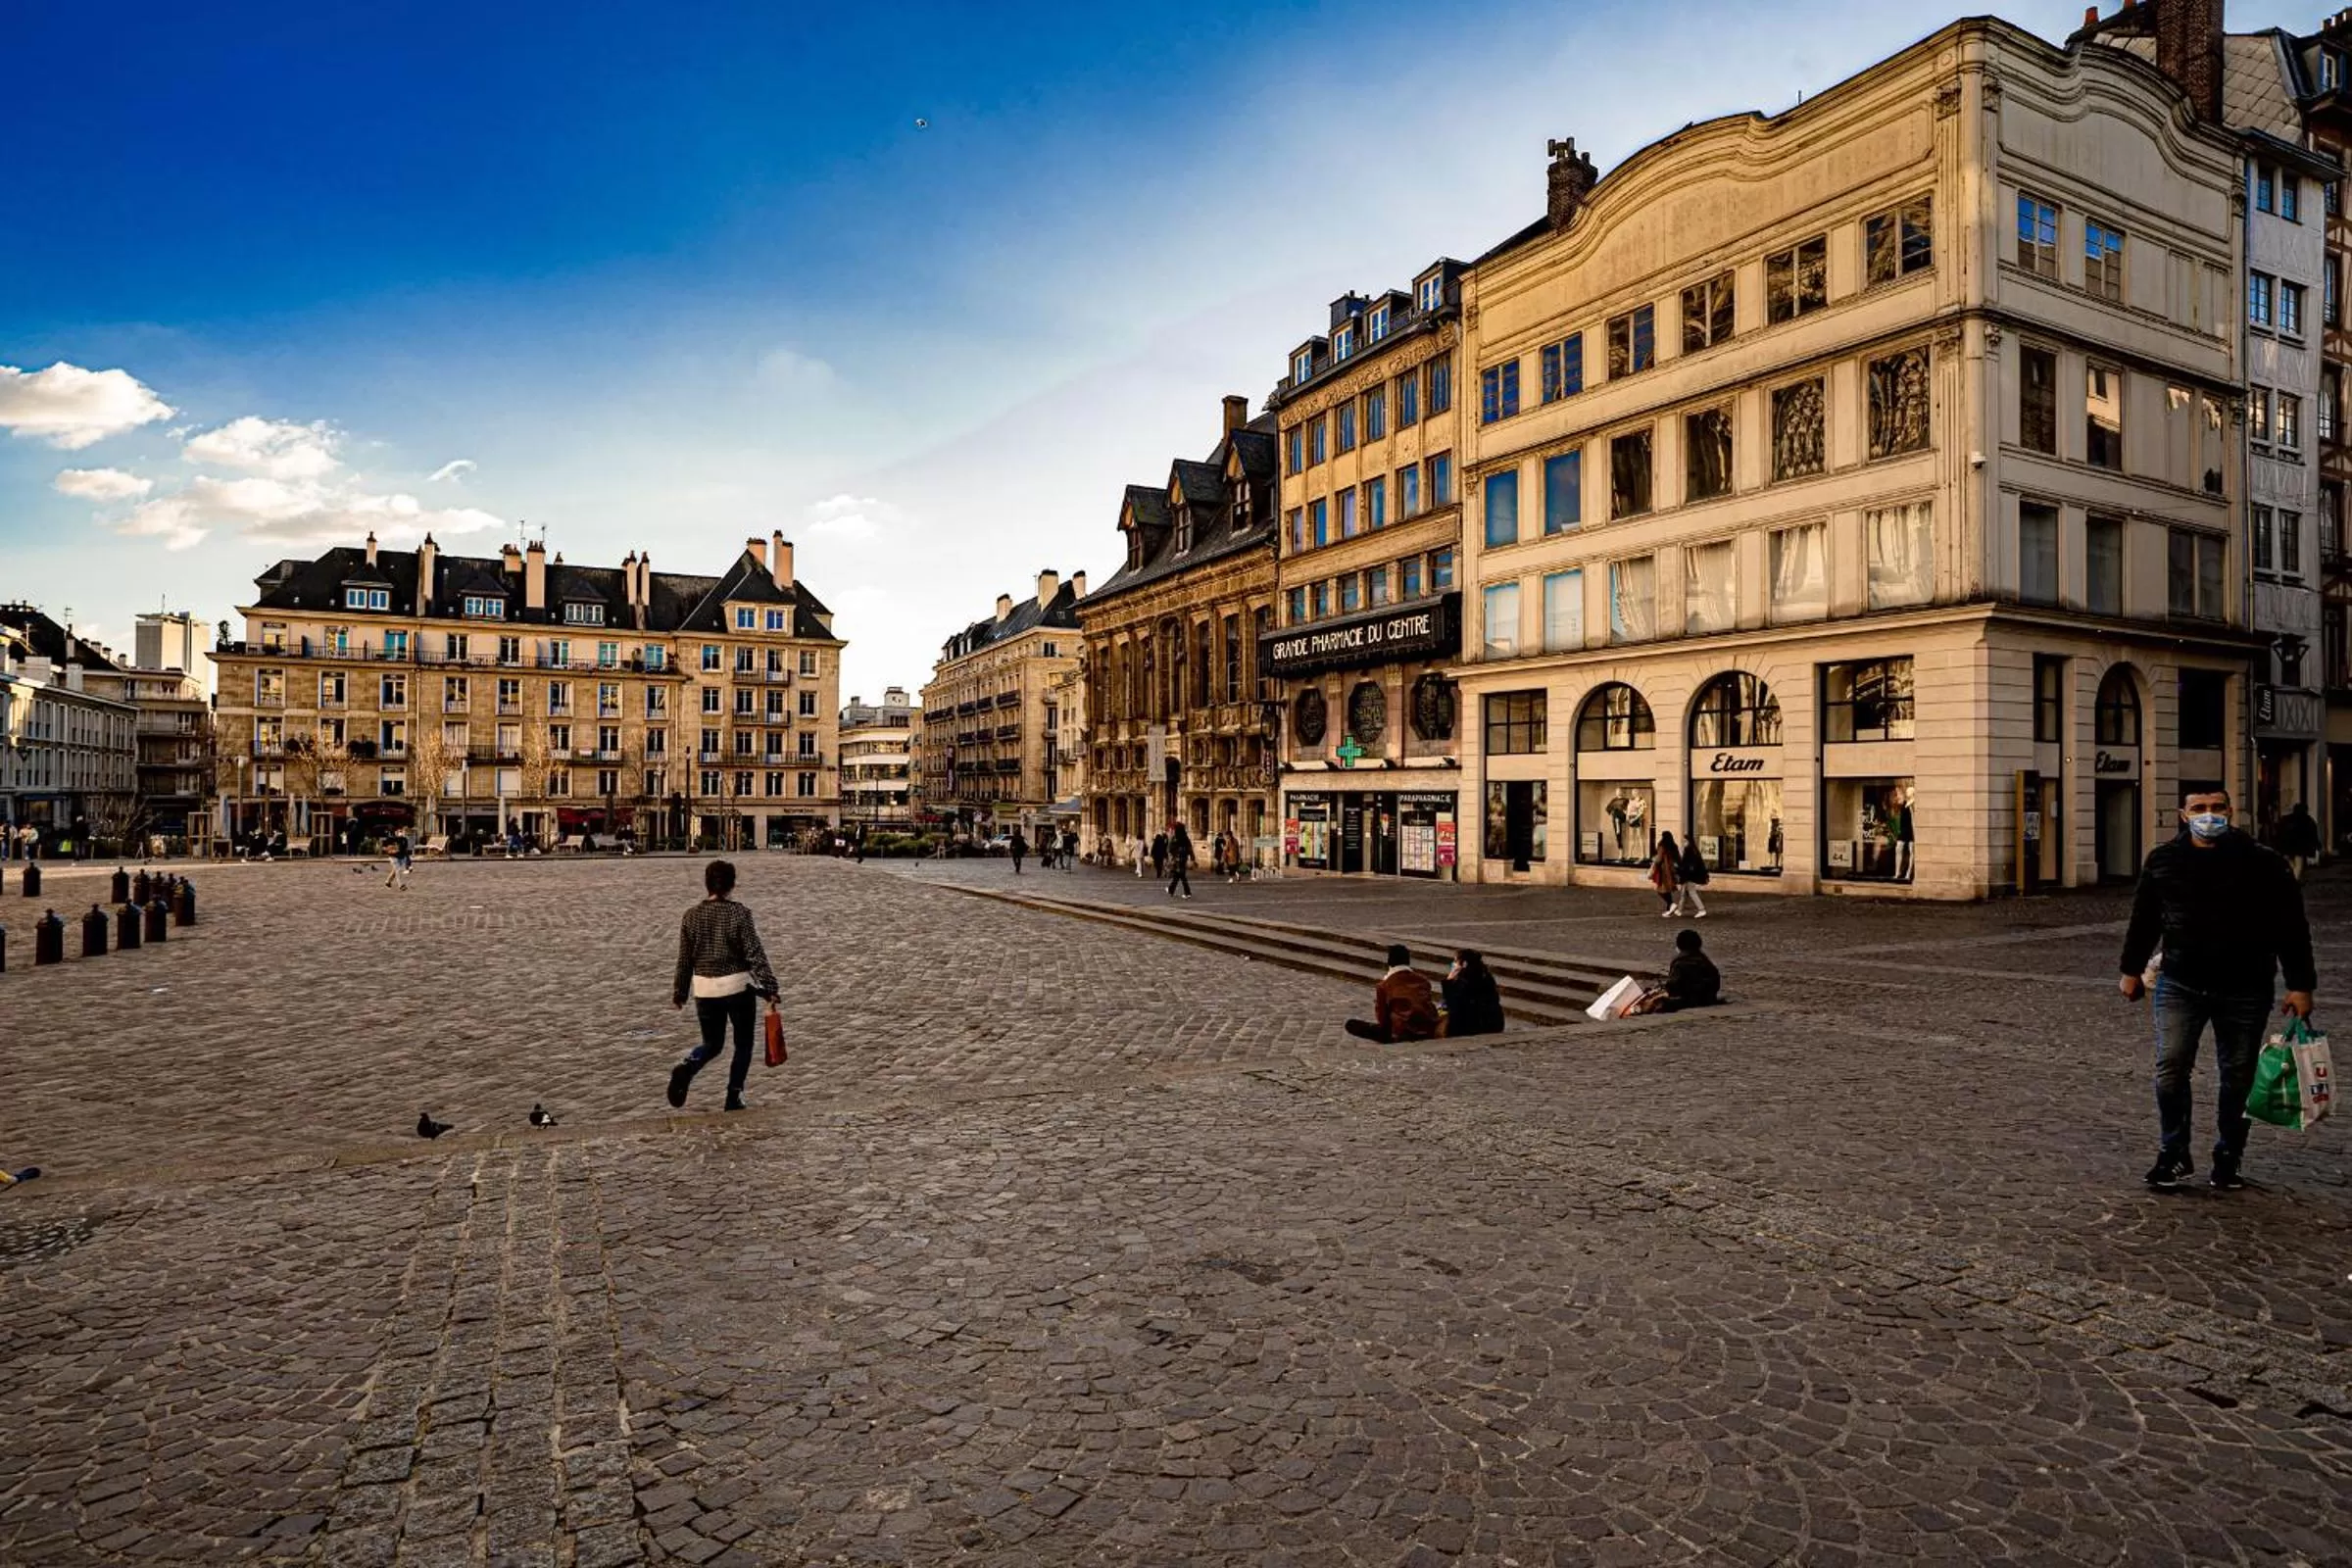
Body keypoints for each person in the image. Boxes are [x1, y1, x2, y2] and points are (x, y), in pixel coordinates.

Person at [2119, 787, 2316, 1192]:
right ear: (2183, 815)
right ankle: (2173, 1154)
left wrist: (2300, 985)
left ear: (2231, 811)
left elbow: (2291, 926)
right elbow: (2145, 919)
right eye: (2199, 808)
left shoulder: (2264, 862)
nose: (2209, 815)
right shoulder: (2164, 860)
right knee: (2170, 1068)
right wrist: (2131, 970)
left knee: (2238, 1076)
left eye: (2217, 808)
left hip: (2245, 986)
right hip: (2180, 982)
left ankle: (2229, 1155)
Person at [668, 858, 780, 1113]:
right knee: (743, 1044)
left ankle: (689, 1064)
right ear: (732, 885)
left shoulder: (691, 916)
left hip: (704, 988)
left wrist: (679, 992)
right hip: (736, 986)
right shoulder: (739, 913)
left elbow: (684, 959)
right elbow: (755, 953)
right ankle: (734, 1095)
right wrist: (770, 986)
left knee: (712, 1043)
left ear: (707, 884)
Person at [1346, 944, 1444, 1044]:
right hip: (1427, 1029)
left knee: (1352, 1025)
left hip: (1402, 1032)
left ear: (1389, 962)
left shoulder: (1384, 985)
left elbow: (1382, 1018)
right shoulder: (1423, 980)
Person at [1441, 950, 1506, 1037]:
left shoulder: (1464, 982)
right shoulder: (1485, 976)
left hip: (1471, 1027)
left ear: (1464, 964)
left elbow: (1453, 1005)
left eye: (1455, 961)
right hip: (1493, 1024)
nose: (1453, 964)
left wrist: (1449, 981)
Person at [1661, 928, 1722, 1010]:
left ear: (1679, 946)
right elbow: (1715, 983)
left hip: (1686, 1002)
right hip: (1708, 1000)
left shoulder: (1679, 963)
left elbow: (1672, 987)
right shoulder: (1706, 962)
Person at [2276, 802, 2321, 881]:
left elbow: (2279, 832)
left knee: (2291, 863)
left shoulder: (2286, 819)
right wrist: (2317, 845)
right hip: (2299, 847)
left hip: (2286, 845)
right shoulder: (2308, 820)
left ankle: (2293, 878)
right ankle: (2295, 880)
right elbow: (2313, 834)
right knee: (2298, 865)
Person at [1674, 834, 1710, 918]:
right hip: (1690, 875)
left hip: (1689, 876)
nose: (1684, 843)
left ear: (1689, 841)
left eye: (1685, 841)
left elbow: (1687, 864)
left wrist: (1679, 868)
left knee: (1691, 891)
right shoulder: (1694, 850)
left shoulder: (1689, 850)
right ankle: (1679, 910)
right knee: (1684, 892)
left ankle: (1701, 909)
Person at [1648, 832, 1682, 917]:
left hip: (1663, 870)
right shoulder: (1674, 846)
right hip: (1672, 870)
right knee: (1667, 890)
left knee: (1660, 890)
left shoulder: (1662, 845)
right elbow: (1678, 858)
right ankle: (1669, 910)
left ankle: (1671, 904)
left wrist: (1654, 861)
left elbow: (1659, 859)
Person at [1889, 789, 1916, 883]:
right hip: (1904, 830)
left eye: (1909, 791)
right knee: (1899, 848)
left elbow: (1913, 820)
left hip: (1911, 830)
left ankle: (1908, 873)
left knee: (1911, 850)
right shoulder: (1905, 804)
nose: (1907, 793)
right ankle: (1897, 872)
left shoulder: (1913, 804)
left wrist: (1914, 832)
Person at [1166, 823, 1195, 900]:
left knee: (1181, 876)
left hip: (1176, 860)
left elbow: (1169, 849)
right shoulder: (1185, 838)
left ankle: (1187, 892)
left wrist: (1172, 856)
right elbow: (1190, 848)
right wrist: (1192, 858)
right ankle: (1171, 889)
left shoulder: (1175, 838)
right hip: (1183, 859)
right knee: (1178, 875)